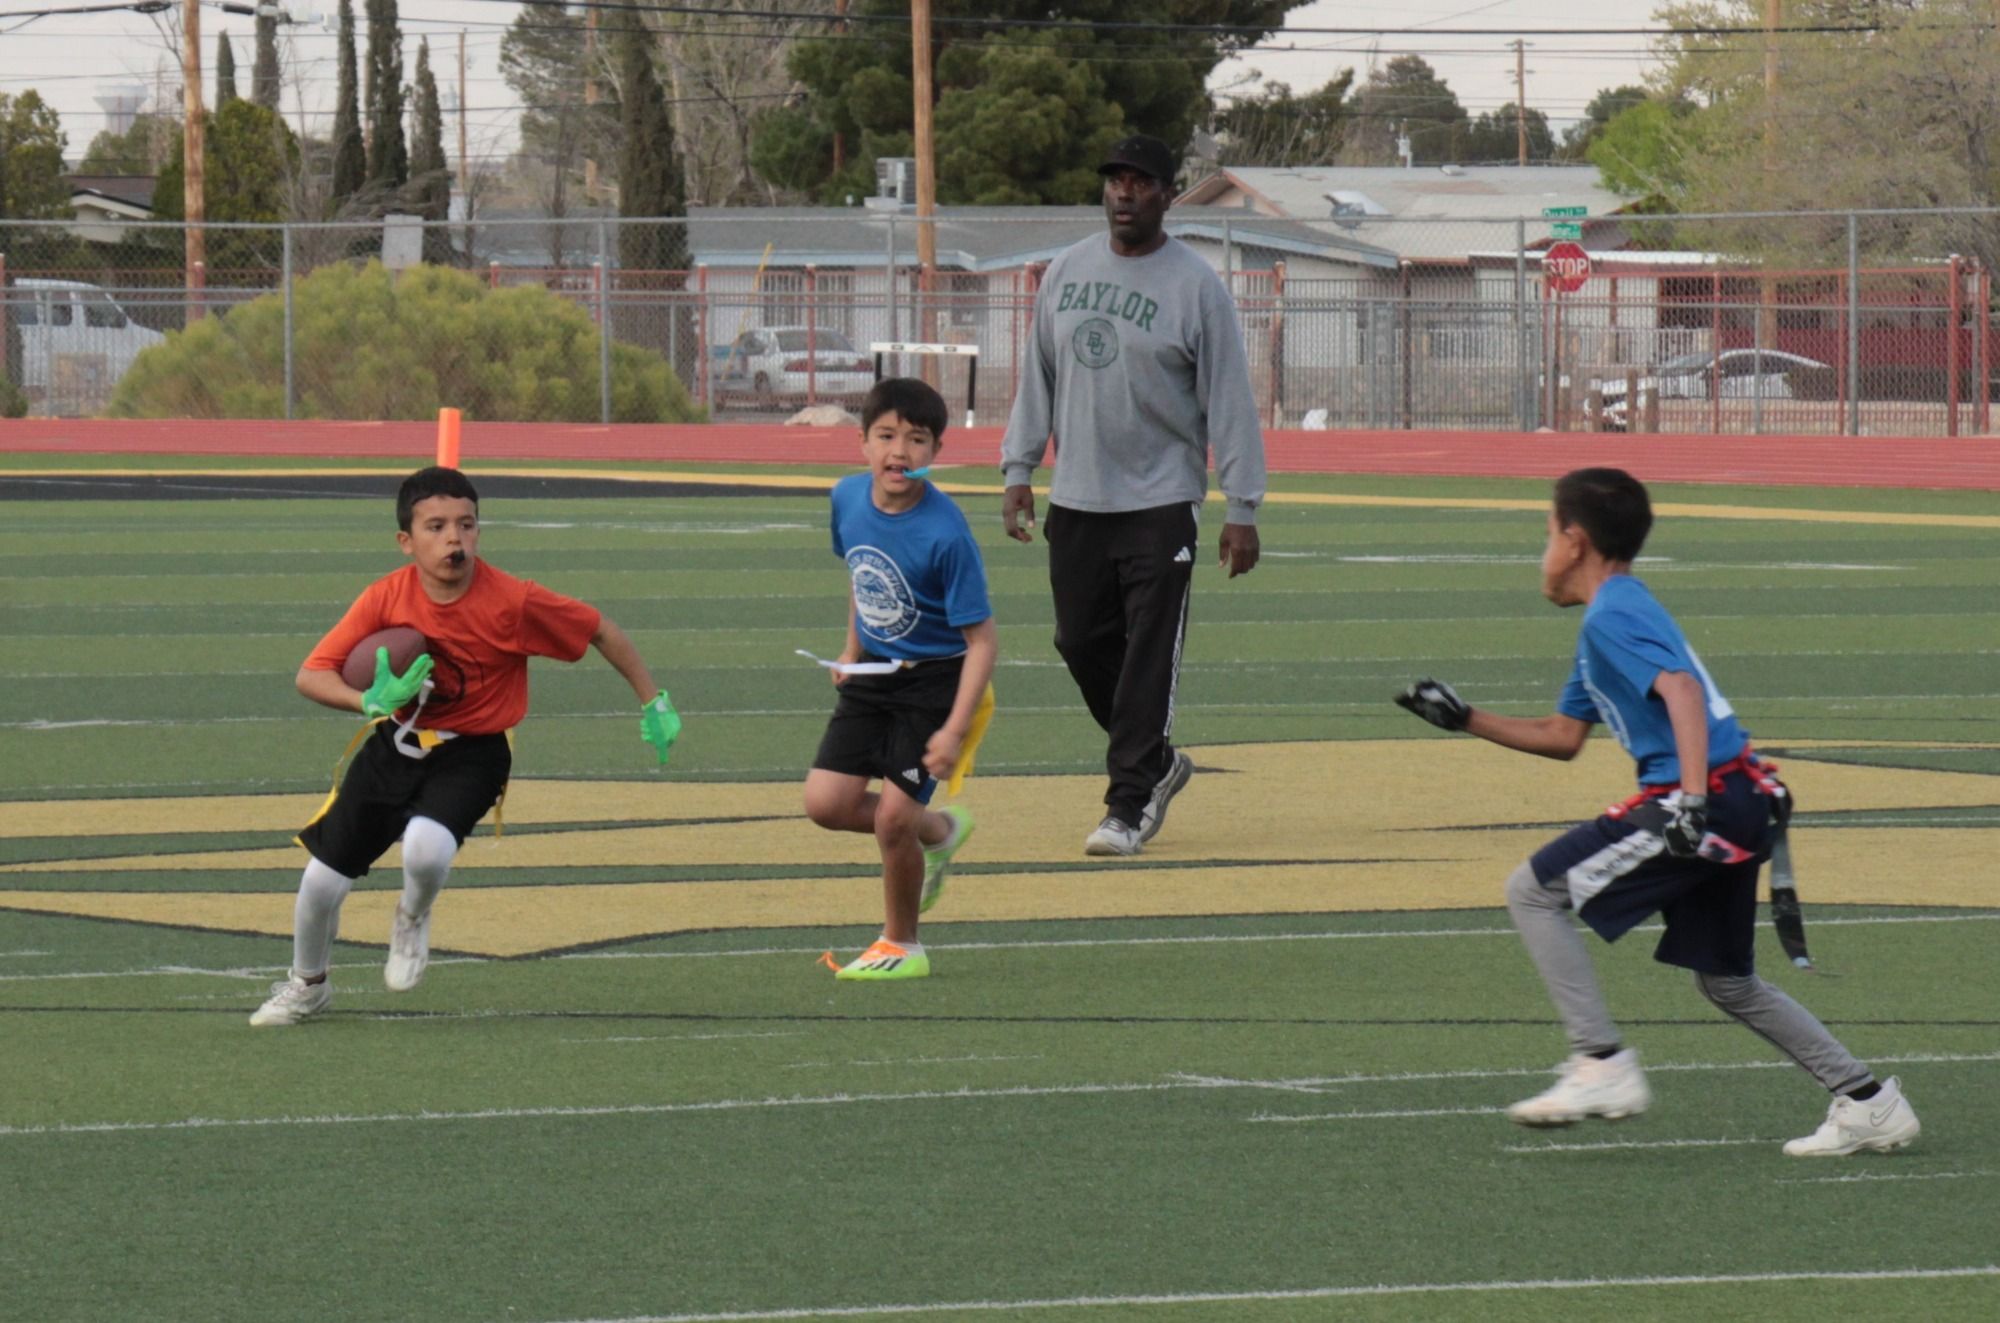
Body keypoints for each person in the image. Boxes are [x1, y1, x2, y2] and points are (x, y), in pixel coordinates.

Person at [1395, 467, 1919, 1156]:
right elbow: (1563, 736)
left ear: (1574, 541)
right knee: (1728, 981)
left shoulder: (1613, 613)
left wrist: (1691, 802)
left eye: (1546, 535)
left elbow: (1681, 691)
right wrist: (1466, 718)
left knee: (1533, 890)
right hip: (1735, 799)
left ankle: (1600, 1061)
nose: (1543, 552)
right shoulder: (1613, 618)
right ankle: (1869, 1101)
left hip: (1706, 800)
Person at [250, 466, 680, 1026]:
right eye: (435, 527)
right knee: (319, 882)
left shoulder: (512, 601)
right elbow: (312, 674)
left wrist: (653, 701)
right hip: (396, 746)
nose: (454, 538)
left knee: (425, 849)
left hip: (473, 751)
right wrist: (368, 701)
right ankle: (308, 985)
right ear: (406, 541)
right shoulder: (384, 597)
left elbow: (600, 629)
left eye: (466, 524)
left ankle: (412, 916)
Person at [999, 133, 1267, 859]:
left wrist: (1241, 506)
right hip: (1078, 496)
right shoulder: (1065, 271)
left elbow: (1229, 400)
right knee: (1079, 641)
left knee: (1148, 652)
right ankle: (1158, 761)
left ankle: (1127, 804)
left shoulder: (1197, 287)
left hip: (1161, 500)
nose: (1123, 192)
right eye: (1114, 179)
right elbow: (1038, 376)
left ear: (1168, 195)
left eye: (1140, 181)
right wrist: (1019, 468)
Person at [806, 378, 996, 981]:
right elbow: (863, 577)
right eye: (886, 436)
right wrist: (850, 649)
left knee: (892, 821)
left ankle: (902, 944)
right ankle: (939, 831)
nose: (899, 451)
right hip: (874, 671)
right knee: (825, 804)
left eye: (916, 440)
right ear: (863, 442)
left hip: (936, 681)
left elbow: (982, 642)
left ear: (935, 451)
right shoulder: (846, 498)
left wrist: (953, 732)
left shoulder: (946, 533)